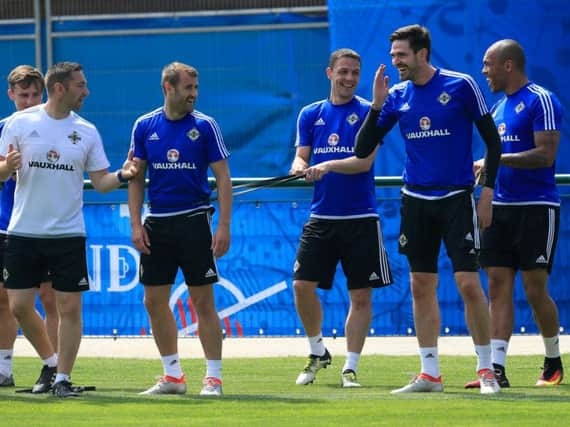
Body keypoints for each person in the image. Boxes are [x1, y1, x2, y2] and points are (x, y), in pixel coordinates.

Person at [304, 25, 503, 394]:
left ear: (422, 54)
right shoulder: (396, 95)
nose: (395, 61)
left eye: (401, 55)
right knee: (420, 285)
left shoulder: (461, 86)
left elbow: (494, 143)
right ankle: (430, 373)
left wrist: (487, 194)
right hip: (415, 201)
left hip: (457, 199)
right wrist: (378, 105)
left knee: (468, 283)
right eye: (393, 55)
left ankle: (487, 370)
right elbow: (364, 149)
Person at [0, 61, 138, 398]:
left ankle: (62, 377)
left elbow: (101, 182)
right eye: (80, 85)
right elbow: (0, 173)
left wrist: (123, 175)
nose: (86, 91)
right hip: (23, 232)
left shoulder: (87, 131)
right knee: (17, 305)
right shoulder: (18, 123)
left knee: (69, 308)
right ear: (60, 88)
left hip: (68, 233)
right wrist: (7, 166)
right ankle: (50, 361)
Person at [290, 48, 393, 388]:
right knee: (302, 285)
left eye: (354, 73)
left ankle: (351, 366)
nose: (349, 78)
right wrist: (301, 169)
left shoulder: (370, 112)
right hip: (321, 216)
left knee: (360, 296)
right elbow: (300, 157)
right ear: (329, 73)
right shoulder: (310, 114)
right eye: (343, 72)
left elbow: (363, 162)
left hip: (361, 217)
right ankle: (318, 351)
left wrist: (328, 165)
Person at [464, 39, 564, 389]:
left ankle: (553, 358)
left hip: (537, 207)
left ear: (508, 65)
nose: (484, 71)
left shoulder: (542, 99)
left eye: (488, 63)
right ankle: (497, 368)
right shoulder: (496, 110)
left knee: (535, 289)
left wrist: (497, 159)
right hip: (501, 208)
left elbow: (546, 155)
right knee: (497, 286)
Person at [129, 61, 231, 397]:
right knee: (153, 300)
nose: (194, 95)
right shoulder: (144, 126)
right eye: (188, 88)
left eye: (196, 89)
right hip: (157, 223)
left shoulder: (205, 126)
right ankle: (173, 377)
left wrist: (224, 227)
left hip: (195, 222)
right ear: (168, 88)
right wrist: (135, 224)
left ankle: (213, 378)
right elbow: (135, 178)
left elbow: (224, 178)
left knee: (203, 301)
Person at [0, 65, 59, 388]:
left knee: (50, 299)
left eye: (36, 94)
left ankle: (57, 370)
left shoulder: (57, 128)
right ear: (11, 95)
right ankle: (5, 368)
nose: (31, 100)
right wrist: (6, 167)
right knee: (4, 300)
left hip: (47, 227)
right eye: (24, 95)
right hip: (8, 226)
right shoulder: (2, 130)